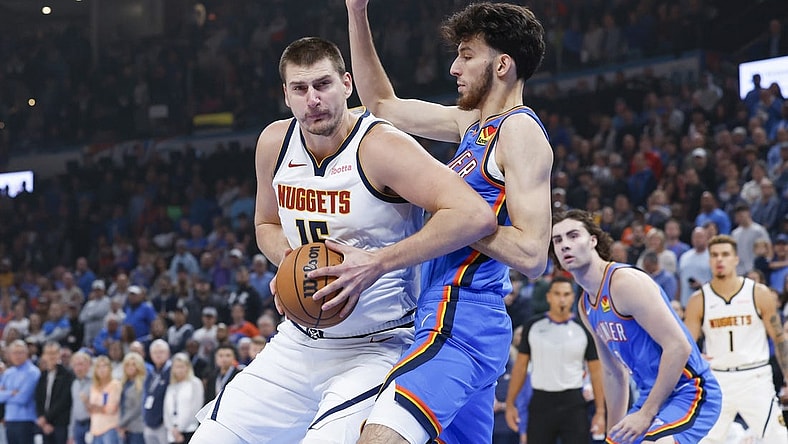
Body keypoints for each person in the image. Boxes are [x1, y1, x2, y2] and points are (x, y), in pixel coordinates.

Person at [191, 36, 496, 444]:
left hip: (375, 345)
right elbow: (265, 223)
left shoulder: (382, 146)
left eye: (323, 85)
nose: (312, 99)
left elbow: (474, 215)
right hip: (297, 342)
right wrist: (290, 263)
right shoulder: (273, 143)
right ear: (286, 95)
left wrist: (377, 263)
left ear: (347, 84)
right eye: (300, 89)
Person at [345, 2, 552, 442]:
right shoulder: (471, 124)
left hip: (462, 318)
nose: (455, 67)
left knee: (378, 435)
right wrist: (356, 12)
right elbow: (382, 104)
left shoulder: (520, 131)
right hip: (439, 313)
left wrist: (461, 219)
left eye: (466, 54)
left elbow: (533, 255)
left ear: (502, 65)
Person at [549, 209, 722, 443]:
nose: (564, 245)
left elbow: (679, 347)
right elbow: (612, 372)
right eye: (557, 240)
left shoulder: (624, 282)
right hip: (651, 396)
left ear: (593, 241)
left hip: (689, 390)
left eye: (573, 236)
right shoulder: (584, 305)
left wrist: (646, 413)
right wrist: (614, 433)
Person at [682, 235, 788, 443]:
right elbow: (686, 346)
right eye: (714, 255)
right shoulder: (698, 299)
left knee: (778, 438)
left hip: (755, 377)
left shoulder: (758, 293)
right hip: (717, 379)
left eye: (725, 254)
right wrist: (694, 359)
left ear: (736, 259)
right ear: (709, 260)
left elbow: (779, 338)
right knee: (704, 440)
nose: (719, 260)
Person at [505, 276, 605, 444]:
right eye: (557, 294)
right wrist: (510, 404)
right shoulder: (533, 326)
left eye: (566, 294)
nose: (562, 299)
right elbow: (520, 368)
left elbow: (596, 372)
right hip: (541, 402)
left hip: (573, 403)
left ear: (572, 297)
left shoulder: (584, 329)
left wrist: (600, 412)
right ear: (548, 296)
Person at [0, 339, 41, 444]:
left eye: (20, 352)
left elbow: (23, 398)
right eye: (14, 353)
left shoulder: (33, 372)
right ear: (9, 355)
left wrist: (5, 394)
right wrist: (11, 393)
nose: (17, 356)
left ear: (27, 353)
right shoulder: (8, 373)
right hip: (9, 419)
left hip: (26, 420)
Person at [35, 341, 74, 444]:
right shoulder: (42, 376)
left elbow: (64, 401)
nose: (51, 356)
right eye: (48, 353)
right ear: (43, 356)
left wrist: (46, 418)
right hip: (45, 425)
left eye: (54, 353)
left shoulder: (67, 375)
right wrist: (43, 421)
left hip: (60, 424)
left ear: (59, 355)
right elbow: (38, 399)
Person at [163, 353, 203, 444]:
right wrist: (172, 428)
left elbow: (195, 409)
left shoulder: (195, 383)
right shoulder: (171, 386)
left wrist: (180, 429)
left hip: (189, 430)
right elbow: (166, 410)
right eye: (176, 367)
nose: (179, 370)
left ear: (188, 367)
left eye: (182, 366)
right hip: (172, 433)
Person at [85, 355, 121, 444]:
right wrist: (92, 407)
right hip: (95, 429)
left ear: (110, 368)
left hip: (110, 428)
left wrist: (94, 407)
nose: (102, 369)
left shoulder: (115, 384)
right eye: (98, 367)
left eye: (104, 366)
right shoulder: (93, 386)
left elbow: (111, 409)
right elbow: (90, 410)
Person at [143, 340, 171, 444]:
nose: (158, 355)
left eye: (161, 352)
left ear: (168, 353)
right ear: (150, 355)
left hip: (164, 423)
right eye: (155, 352)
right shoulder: (151, 373)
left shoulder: (171, 371)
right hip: (149, 421)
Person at [118, 352, 147, 444]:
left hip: (137, 427)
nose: (130, 367)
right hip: (126, 427)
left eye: (133, 365)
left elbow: (137, 407)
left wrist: (122, 423)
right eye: (127, 364)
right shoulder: (123, 383)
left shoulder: (143, 382)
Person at [68, 351, 93, 444]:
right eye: (75, 365)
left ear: (89, 365)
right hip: (78, 426)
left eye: (81, 364)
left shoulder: (95, 382)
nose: (78, 368)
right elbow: (73, 410)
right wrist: (70, 434)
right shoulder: (75, 384)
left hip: (91, 424)